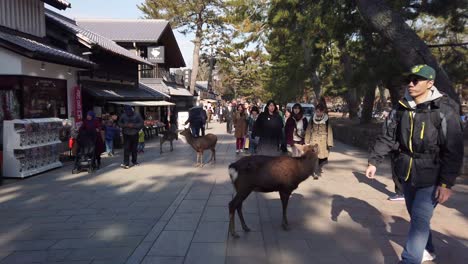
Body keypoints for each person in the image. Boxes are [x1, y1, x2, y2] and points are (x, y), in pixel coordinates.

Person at [365, 64, 463, 264]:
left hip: (432, 175)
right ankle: (429, 249)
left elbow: (454, 149)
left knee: (419, 219)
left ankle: (409, 259)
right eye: (409, 79)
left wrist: (446, 183)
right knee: (416, 216)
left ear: (430, 83)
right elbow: (388, 136)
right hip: (407, 172)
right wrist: (374, 160)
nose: (411, 84)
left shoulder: (443, 110)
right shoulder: (401, 108)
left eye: (416, 80)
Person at [304, 103, 333, 168]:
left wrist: (329, 143)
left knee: (322, 157)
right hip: (313, 140)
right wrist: (307, 141)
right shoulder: (312, 118)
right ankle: (314, 170)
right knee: (314, 156)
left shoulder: (326, 119)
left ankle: (319, 167)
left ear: (323, 111)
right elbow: (308, 129)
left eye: (320, 111)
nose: (318, 113)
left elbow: (329, 131)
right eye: (317, 111)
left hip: (323, 141)